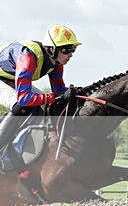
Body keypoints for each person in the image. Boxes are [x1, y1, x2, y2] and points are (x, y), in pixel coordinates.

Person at [0, 25, 80, 187]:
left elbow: (59, 92)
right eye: (66, 50)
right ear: (51, 49)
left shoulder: (57, 62)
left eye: (72, 49)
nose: (70, 54)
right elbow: (24, 99)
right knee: (21, 106)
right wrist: (56, 97)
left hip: (11, 77)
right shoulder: (28, 58)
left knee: (42, 106)